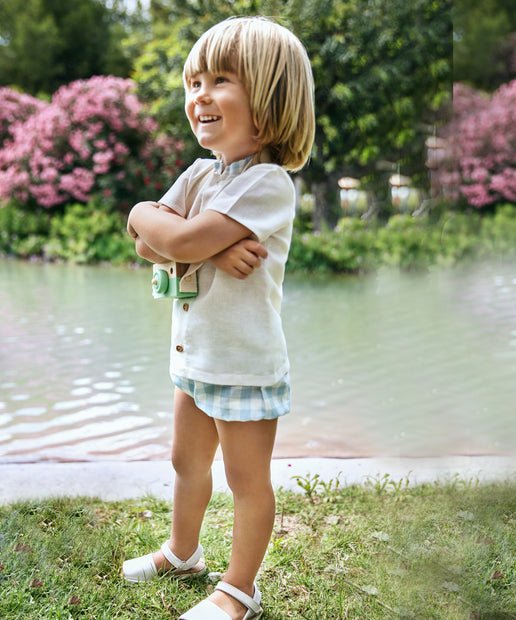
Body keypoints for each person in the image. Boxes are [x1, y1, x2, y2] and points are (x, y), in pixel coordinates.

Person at [122, 16, 315, 620]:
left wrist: (168, 228)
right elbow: (146, 244)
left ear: (269, 99)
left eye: (220, 80)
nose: (198, 95)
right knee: (186, 462)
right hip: (195, 358)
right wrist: (181, 235)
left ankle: (239, 590)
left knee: (246, 480)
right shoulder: (204, 173)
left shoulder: (267, 182)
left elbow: (171, 238)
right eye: (193, 82)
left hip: (244, 364)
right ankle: (183, 552)